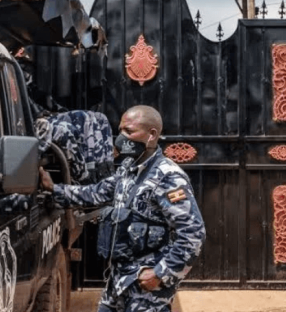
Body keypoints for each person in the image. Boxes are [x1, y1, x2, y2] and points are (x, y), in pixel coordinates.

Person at [39, 105, 206, 312]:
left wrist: (161, 274)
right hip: (118, 280)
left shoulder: (168, 177)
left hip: (147, 289)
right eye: (120, 130)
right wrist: (53, 188)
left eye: (129, 131)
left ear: (151, 135)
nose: (120, 138)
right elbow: (96, 193)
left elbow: (193, 233)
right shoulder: (128, 170)